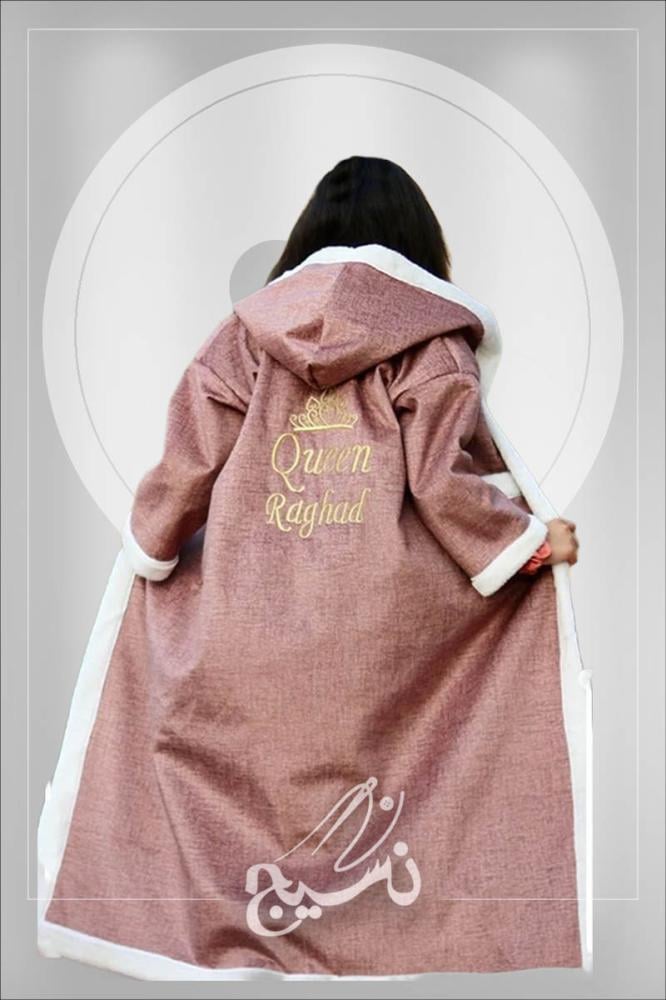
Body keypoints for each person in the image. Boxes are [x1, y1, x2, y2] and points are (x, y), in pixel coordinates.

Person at [38, 155, 590, 980]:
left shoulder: (242, 337)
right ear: (420, 243)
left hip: (247, 628)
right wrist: (532, 542)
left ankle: (233, 923)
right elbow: (443, 483)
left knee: (215, 770)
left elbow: (185, 471)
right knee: (399, 780)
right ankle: (393, 924)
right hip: (383, 638)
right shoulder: (429, 341)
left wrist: (152, 545)